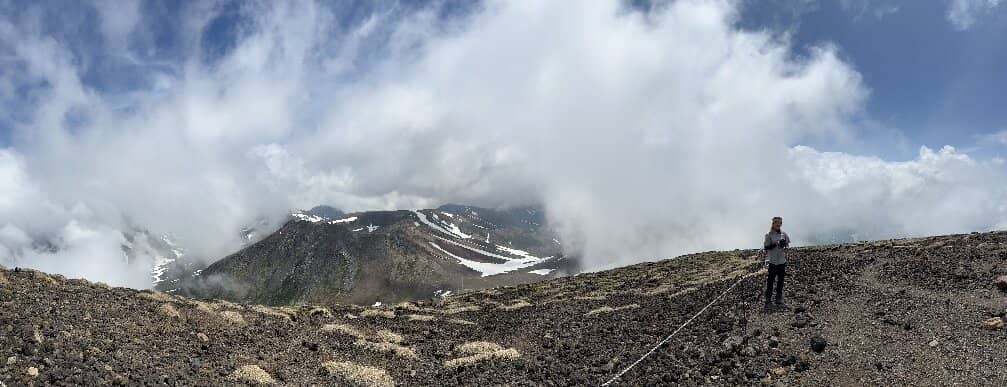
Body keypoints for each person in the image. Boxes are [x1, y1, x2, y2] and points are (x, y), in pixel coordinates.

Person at [763, 216, 790, 307]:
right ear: (773, 224)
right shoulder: (768, 235)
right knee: (770, 281)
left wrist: (786, 248)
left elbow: (787, 246)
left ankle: (778, 298)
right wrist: (775, 244)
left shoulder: (784, 234)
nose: (778, 224)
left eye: (779, 222)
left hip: (782, 261)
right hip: (772, 261)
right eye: (776, 222)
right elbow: (766, 247)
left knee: (780, 281)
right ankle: (768, 299)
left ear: (781, 224)